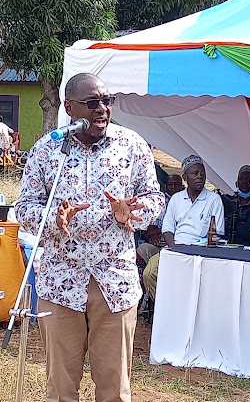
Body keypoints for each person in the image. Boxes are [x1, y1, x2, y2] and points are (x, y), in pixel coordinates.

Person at [15, 72, 163, 402]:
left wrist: (133, 212)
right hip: (60, 281)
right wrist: (52, 218)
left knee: (114, 389)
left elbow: (155, 198)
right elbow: (24, 207)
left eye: (106, 101)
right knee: (61, 389)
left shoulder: (132, 145)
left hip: (114, 282)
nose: (102, 109)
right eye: (92, 102)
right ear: (69, 108)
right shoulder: (47, 149)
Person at [143, 155, 224, 302]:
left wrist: (196, 248)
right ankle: (165, 306)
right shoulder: (176, 199)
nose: (200, 176)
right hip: (175, 249)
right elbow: (167, 229)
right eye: (195, 174)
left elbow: (217, 233)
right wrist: (173, 248)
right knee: (150, 273)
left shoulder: (214, 199)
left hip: (200, 252)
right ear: (185, 177)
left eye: (202, 173)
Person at [136, 173, 184, 263]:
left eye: (176, 184)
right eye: (170, 184)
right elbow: (149, 230)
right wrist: (153, 235)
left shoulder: (185, 202)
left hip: (179, 245)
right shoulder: (160, 202)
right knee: (143, 249)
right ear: (165, 186)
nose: (173, 187)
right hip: (160, 243)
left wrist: (160, 230)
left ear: (181, 186)